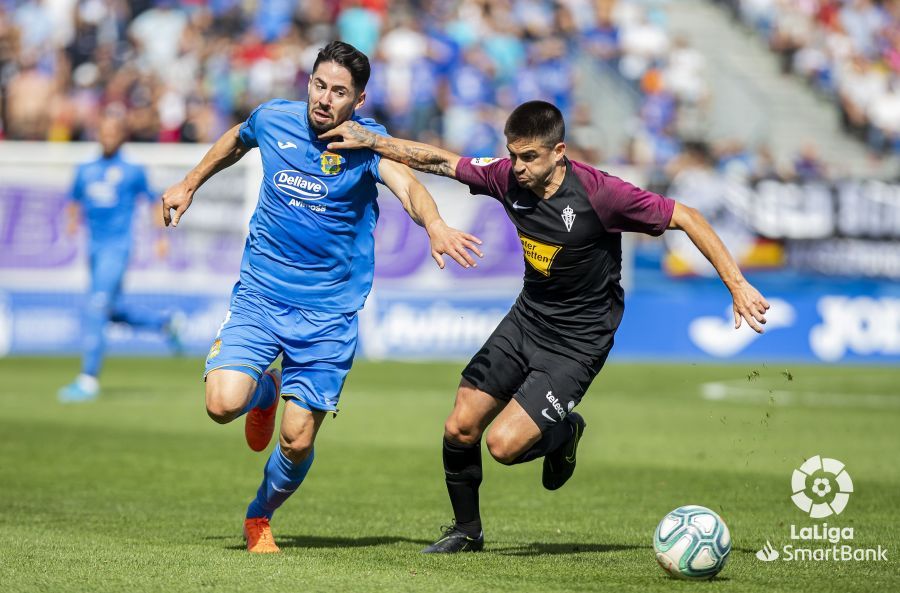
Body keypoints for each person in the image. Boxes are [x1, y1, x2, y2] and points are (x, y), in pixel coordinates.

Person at [321, 100, 771, 553]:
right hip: (526, 319)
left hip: (577, 343)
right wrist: (374, 141)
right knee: (459, 426)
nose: (517, 167)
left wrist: (736, 285)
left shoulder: (601, 195)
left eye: (529, 157)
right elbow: (440, 160)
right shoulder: (505, 176)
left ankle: (563, 433)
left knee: (503, 445)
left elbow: (686, 216)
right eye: (512, 155)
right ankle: (466, 530)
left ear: (559, 151)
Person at [160, 41, 482, 554]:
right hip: (261, 295)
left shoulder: (367, 143)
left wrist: (436, 224)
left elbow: (409, 186)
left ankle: (259, 515)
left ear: (358, 100)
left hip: (329, 314)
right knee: (222, 405)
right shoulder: (275, 119)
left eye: (338, 92)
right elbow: (236, 139)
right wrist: (189, 183)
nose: (324, 99)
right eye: (318, 85)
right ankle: (265, 390)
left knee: (297, 439)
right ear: (307, 83)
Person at [58, 112, 182, 403]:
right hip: (95, 249)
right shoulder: (85, 169)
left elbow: (153, 202)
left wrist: (160, 237)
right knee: (108, 310)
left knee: (97, 307)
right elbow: (74, 201)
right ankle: (165, 324)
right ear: (97, 133)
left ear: (122, 135)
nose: (109, 136)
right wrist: (72, 222)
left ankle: (88, 379)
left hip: (118, 248)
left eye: (114, 131)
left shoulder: (132, 170)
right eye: (104, 131)